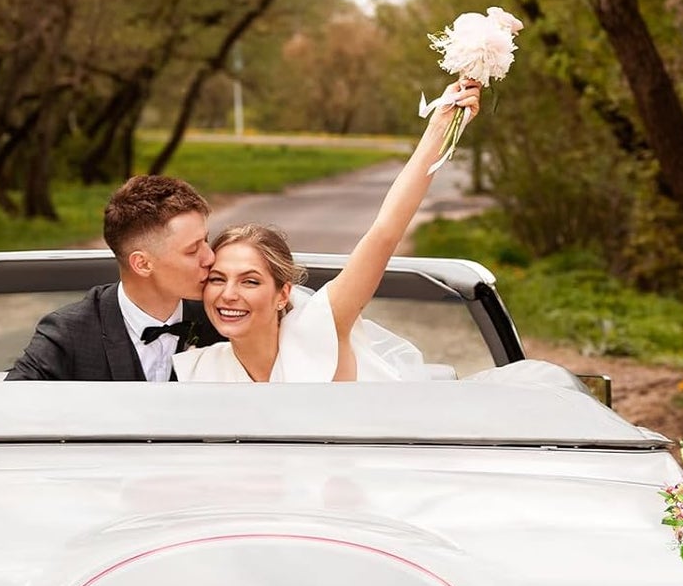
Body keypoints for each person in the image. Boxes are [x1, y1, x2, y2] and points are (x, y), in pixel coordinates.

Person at [173, 78, 481, 383]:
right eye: (217, 279)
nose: (228, 294)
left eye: (250, 281)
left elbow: (385, 232)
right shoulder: (200, 369)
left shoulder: (319, 330)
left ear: (282, 294)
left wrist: (440, 126)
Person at [5, 174, 225, 381]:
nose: (210, 257)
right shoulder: (69, 333)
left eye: (206, 241)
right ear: (142, 264)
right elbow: (9, 398)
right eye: (192, 250)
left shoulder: (222, 317)